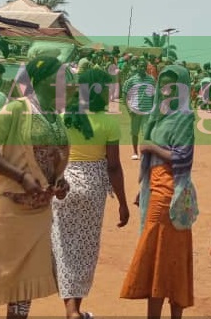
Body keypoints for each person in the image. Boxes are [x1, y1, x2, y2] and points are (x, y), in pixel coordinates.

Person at [0, 56, 70, 319]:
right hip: (10, 211)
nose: (64, 84)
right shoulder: (16, 109)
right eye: (60, 79)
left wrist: (60, 182)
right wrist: (21, 177)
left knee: (25, 283)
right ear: (42, 80)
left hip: (40, 214)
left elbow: (53, 160)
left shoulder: (55, 117)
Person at [120, 65, 198, 319]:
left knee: (165, 257)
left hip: (171, 194)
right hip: (154, 189)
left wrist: (152, 147)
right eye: (162, 85)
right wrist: (143, 189)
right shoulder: (157, 114)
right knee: (161, 257)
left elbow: (183, 158)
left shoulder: (184, 116)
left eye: (172, 86)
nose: (166, 91)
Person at [53, 68, 130, 319]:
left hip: (64, 185)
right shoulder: (109, 122)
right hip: (92, 187)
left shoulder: (65, 115)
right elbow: (114, 166)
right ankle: (74, 310)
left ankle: (71, 309)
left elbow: (54, 154)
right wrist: (123, 203)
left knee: (63, 247)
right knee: (85, 249)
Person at [122, 60, 156, 160]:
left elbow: (154, 95)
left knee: (146, 133)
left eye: (143, 66)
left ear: (146, 68)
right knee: (134, 133)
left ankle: (145, 153)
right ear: (137, 66)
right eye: (140, 66)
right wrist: (128, 109)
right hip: (135, 111)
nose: (141, 68)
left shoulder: (151, 80)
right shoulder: (131, 80)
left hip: (147, 111)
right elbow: (124, 94)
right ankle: (135, 152)